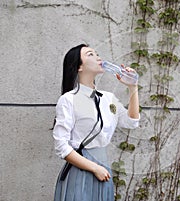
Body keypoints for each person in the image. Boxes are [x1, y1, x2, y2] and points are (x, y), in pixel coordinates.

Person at [53, 44, 140, 201]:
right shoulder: (68, 99)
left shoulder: (108, 98)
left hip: (103, 168)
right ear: (79, 66)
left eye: (97, 53)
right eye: (90, 54)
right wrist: (94, 168)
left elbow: (131, 121)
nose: (98, 57)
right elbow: (61, 147)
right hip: (81, 170)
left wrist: (133, 87)